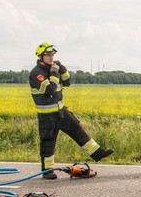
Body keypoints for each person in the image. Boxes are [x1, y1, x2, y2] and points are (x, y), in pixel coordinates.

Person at [29, 42, 113, 179]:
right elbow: (49, 90)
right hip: (47, 116)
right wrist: (55, 73)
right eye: (48, 55)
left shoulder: (53, 69)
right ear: (41, 56)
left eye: (52, 55)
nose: (51, 58)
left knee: (77, 130)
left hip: (61, 111)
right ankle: (47, 171)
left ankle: (98, 153)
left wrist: (62, 69)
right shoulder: (37, 73)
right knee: (48, 142)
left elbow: (67, 82)